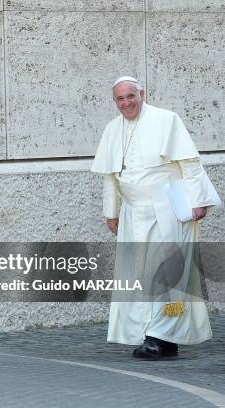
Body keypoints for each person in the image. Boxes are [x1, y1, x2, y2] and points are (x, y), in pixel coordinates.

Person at [91, 76, 219, 359]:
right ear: (115, 102)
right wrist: (111, 213)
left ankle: (158, 336)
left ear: (142, 94)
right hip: (133, 212)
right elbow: (111, 177)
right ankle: (163, 337)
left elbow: (190, 163)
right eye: (120, 99)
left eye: (130, 96)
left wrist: (199, 202)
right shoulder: (113, 130)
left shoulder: (166, 120)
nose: (126, 103)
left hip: (168, 210)